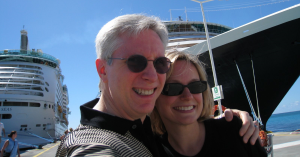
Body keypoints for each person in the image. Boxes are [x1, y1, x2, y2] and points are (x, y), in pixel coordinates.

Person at [56, 14, 260, 157]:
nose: (152, 76)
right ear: (102, 70)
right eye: (135, 62)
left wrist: (232, 120)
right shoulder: (92, 144)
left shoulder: (145, 131)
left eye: (160, 63)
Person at [151, 50, 267, 156]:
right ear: (155, 96)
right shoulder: (150, 150)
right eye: (172, 88)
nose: (187, 96)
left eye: (195, 86)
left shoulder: (236, 132)